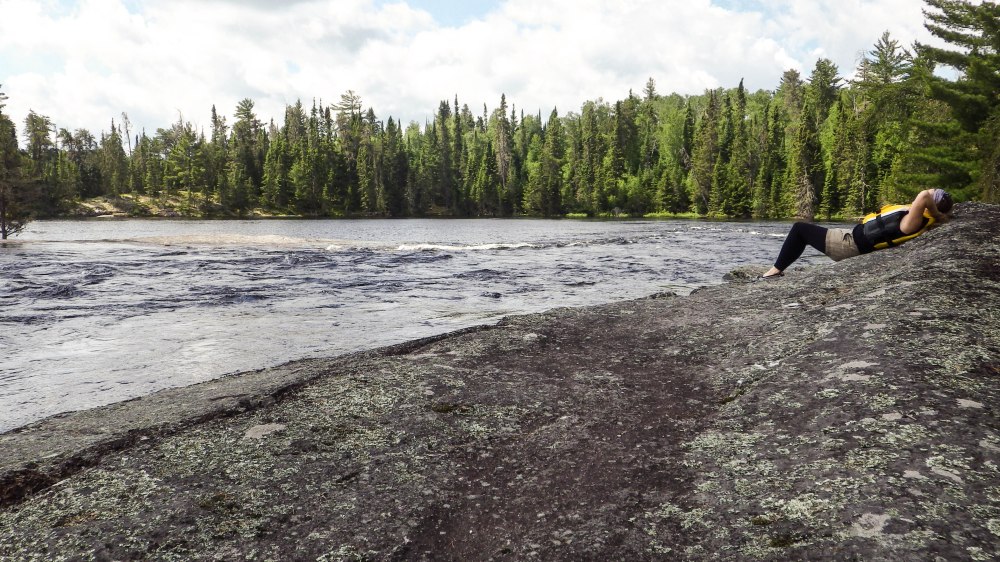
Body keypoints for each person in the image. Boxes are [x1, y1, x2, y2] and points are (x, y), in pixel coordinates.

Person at [760, 188, 954, 279]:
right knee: (802, 231)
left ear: (931, 205)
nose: (929, 189)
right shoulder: (916, 218)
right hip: (850, 237)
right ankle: (777, 270)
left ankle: (775, 271)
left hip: (849, 245)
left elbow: (923, 195)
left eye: (933, 191)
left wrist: (937, 215)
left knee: (799, 229)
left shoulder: (914, 221)